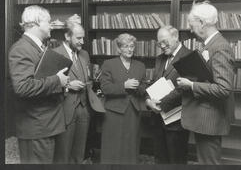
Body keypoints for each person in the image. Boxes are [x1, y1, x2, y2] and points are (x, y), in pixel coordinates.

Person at [8, 5, 70, 164]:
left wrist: (60, 83)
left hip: (49, 125)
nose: (51, 25)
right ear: (35, 23)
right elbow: (22, 87)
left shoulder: (39, 46)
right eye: (48, 22)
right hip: (37, 129)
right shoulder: (21, 49)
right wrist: (57, 81)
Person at [176, 1, 235, 164]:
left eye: (191, 24)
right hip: (204, 116)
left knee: (209, 162)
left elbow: (223, 89)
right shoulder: (210, 44)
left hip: (210, 118)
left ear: (202, 22)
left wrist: (191, 85)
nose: (190, 29)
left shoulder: (219, 47)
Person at [145, 26, 190, 164]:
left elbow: (184, 89)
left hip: (177, 122)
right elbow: (153, 83)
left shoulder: (189, 56)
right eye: (159, 43)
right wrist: (148, 101)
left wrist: (160, 104)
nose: (162, 46)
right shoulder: (159, 58)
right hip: (157, 118)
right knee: (160, 159)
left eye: (165, 42)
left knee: (176, 160)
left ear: (175, 37)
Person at [100, 33, 146, 164]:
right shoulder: (109, 64)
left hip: (134, 111)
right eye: (126, 46)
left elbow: (143, 89)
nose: (130, 49)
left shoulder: (140, 66)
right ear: (119, 49)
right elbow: (106, 88)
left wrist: (137, 87)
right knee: (112, 146)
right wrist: (124, 86)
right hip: (114, 112)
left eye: (132, 46)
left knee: (131, 146)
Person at [53, 21, 94, 163]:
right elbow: (47, 83)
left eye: (83, 38)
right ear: (67, 36)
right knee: (63, 153)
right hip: (65, 109)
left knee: (79, 152)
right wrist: (68, 85)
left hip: (84, 109)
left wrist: (88, 83)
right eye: (78, 38)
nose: (82, 42)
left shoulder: (84, 55)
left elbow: (89, 77)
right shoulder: (55, 54)